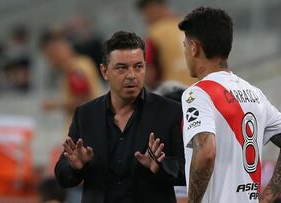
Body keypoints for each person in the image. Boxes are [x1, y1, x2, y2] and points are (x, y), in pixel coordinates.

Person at [178, 7, 281, 203]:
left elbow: (206, 152)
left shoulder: (197, 94)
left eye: (185, 46)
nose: (186, 52)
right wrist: (266, 199)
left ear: (194, 47)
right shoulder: (255, 95)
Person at [54, 31, 185, 203]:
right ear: (104, 71)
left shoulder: (170, 111)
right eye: (122, 68)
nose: (131, 75)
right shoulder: (85, 114)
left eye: (138, 66)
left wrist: (160, 166)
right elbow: (62, 175)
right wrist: (75, 167)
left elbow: (186, 171)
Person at [39, 29, 103, 136]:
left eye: (50, 56)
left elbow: (85, 102)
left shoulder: (75, 70)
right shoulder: (81, 64)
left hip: (84, 133)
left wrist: (54, 105)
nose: (50, 61)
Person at [136, 0, 196, 90]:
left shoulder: (155, 33)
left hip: (174, 93)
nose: (145, 19)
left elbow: (148, 73)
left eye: (145, 14)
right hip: (201, 89)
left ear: (152, 10)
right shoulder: (192, 25)